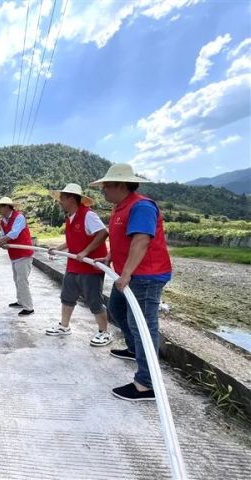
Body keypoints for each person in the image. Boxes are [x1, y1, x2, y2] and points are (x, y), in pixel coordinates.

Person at [89, 164, 172, 402]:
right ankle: (135, 349)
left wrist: (125, 275)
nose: (103, 191)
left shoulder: (141, 206)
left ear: (121, 185)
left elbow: (141, 241)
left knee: (143, 327)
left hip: (146, 276)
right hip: (128, 274)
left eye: (106, 186)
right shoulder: (119, 208)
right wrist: (110, 257)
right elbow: (120, 240)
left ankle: (146, 384)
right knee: (116, 309)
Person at [45, 183, 112, 347]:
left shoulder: (88, 215)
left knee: (94, 300)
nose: (60, 202)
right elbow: (72, 240)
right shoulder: (70, 217)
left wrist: (86, 252)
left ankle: (104, 332)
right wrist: (58, 249)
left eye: (62, 198)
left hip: (90, 266)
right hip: (74, 265)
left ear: (71, 198)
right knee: (67, 296)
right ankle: (64, 326)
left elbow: (103, 233)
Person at [0, 197, 35, 316]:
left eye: (0, 207)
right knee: (16, 279)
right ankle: (20, 301)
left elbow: (14, 233)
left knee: (22, 280)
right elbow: (3, 235)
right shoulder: (3, 220)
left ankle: (29, 307)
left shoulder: (19, 217)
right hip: (14, 254)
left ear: (7, 207)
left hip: (24, 253)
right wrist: (2, 244)